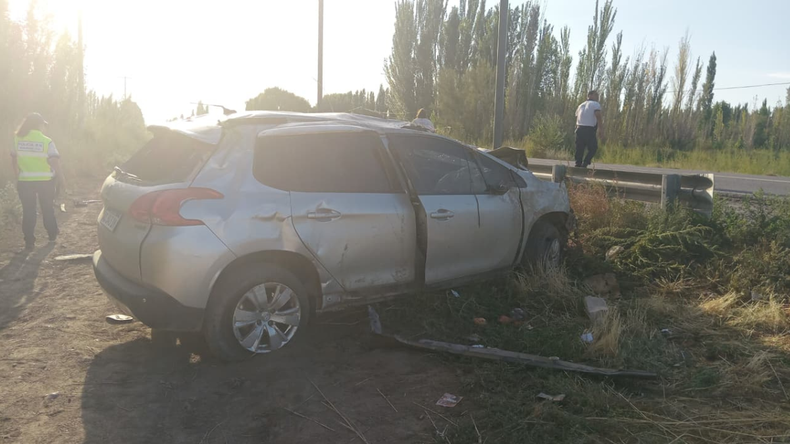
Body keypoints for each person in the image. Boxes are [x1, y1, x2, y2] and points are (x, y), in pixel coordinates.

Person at [11, 113, 65, 250]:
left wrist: (17, 176)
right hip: (45, 181)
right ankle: (52, 236)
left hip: (25, 181)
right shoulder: (47, 141)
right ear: (39, 125)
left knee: (28, 211)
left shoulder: (17, 139)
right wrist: (61, 179)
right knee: (47, 208)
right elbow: (54, 161)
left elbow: (14, 160)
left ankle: (29, 241)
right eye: (43, 125)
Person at [574, 90, 603, 168]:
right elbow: (598, 116)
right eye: (596, 95)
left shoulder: (581, 105)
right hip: (589, 129)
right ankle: (585, 162)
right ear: (589, 95)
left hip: (579, 128)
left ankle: (578, 163)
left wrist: (576, 128)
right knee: (593, 147)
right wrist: (600, 128)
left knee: (580, 148)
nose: (597, 97)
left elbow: (578, 117)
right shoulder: (595, 104)